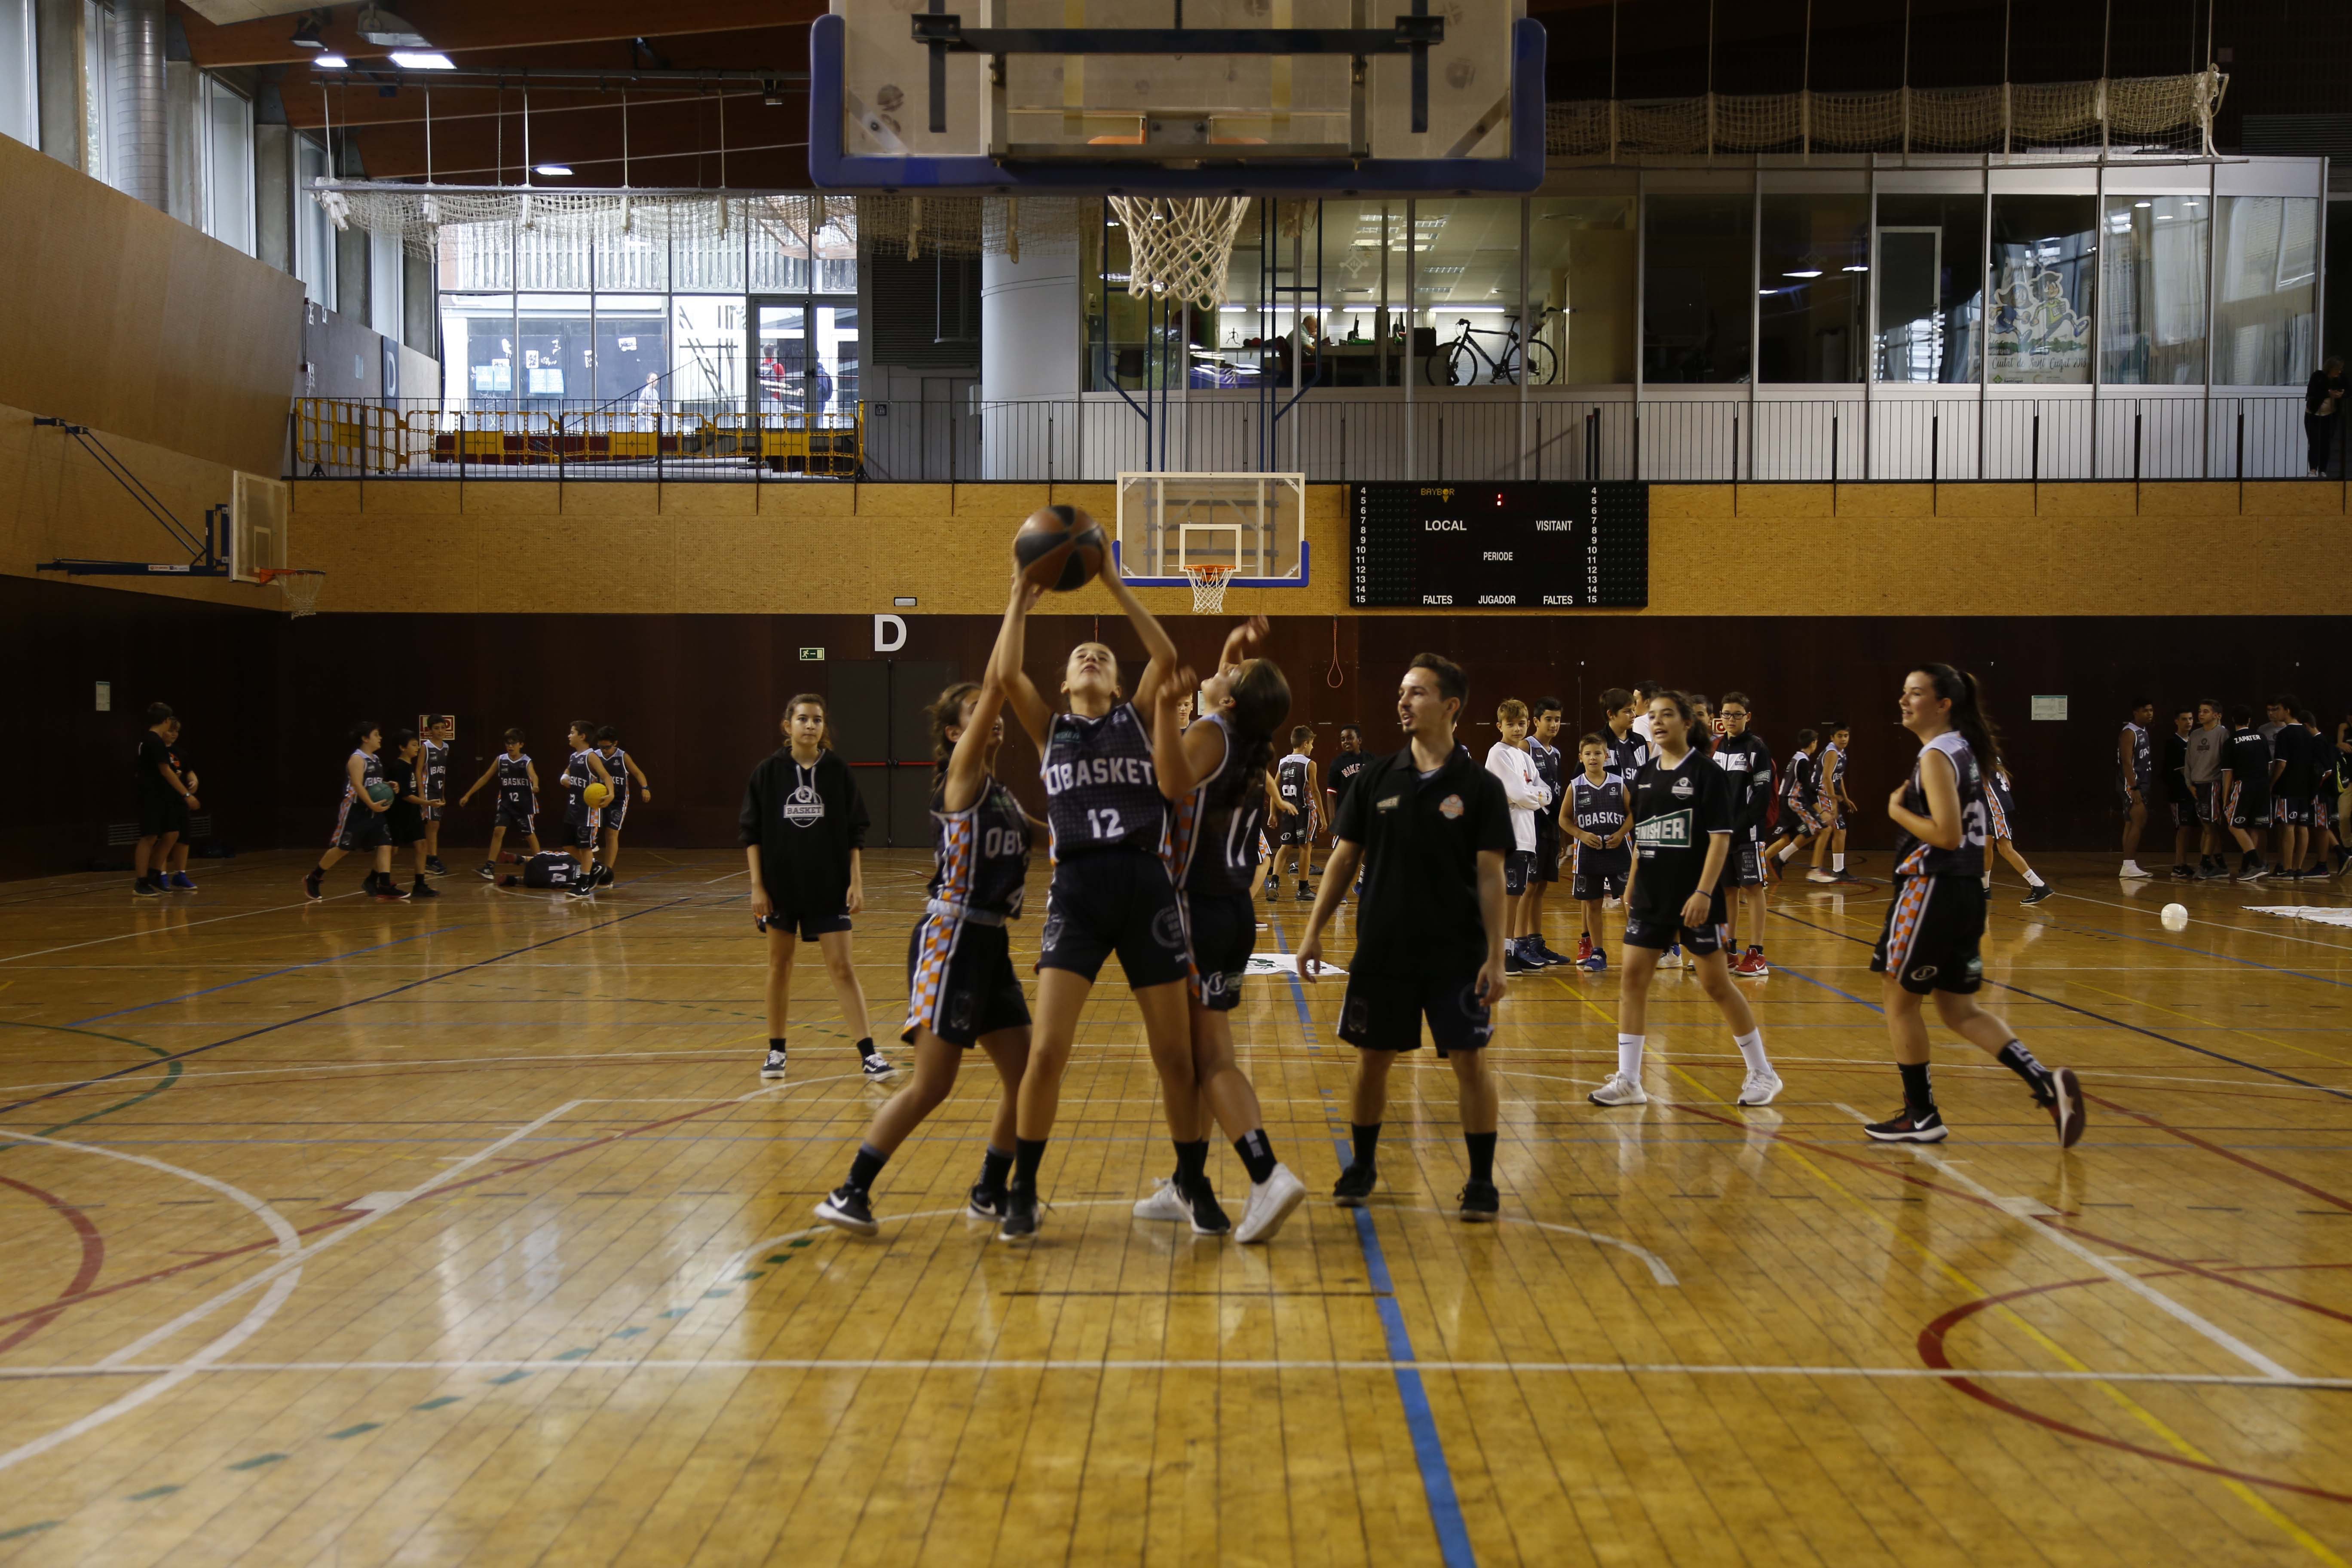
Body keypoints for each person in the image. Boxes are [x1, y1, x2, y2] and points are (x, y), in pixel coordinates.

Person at [992, 546, 1203, 1243]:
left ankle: (1192, 1179)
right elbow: (1003, 674)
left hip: (1144, 883)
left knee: (1174, 1053)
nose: (1091, 657)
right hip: (1077, 888)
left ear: (1116, 683)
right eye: (1080, 655)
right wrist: (1019, 600)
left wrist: (1114, 582)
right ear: (1064, 680)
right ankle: (1023, 1187)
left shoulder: (1137, 719)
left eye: (1102, 657)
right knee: (1048, 1049)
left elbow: (1167, 654)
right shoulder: (1049, 726)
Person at [815, 668, 1032, 1237]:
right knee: (933, 1084)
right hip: (951, 939)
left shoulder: (1000, 792)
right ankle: (850, 1190)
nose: (991, 710)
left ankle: (989, 1189)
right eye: (976, 706)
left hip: (990, 941)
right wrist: (1019, 604)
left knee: (1026, 1074)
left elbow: (1047, 830)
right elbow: (1000, 681)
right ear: (957, 732)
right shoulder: (960, 776)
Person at [1300, 653, 1511, 1222]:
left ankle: (1482, 1180)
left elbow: (1491, 874)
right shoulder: (1376, 777)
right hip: (1383, 949)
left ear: (1450, 706)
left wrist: (1497, 955)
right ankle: (1363, 1166)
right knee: (1373, 1059)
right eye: (1402, 691)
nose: (1403, 701)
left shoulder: (1480, 786)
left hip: (1458, 952)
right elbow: (1345, 859)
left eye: (1416, 692)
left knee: (1470, 1061)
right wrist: (1313, 932)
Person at [1137, 614, 1308, 1243]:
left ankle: (1265, 1174)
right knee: (1194, 1061)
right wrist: (1232, 657)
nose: (1218, 671)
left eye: (1227, 673)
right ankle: (1187, 1179)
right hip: (1233, 912)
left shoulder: (1212, 733)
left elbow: (1170, 779)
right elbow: (1214, 725)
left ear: (1229, 699)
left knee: (1208, 1062)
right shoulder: (1242, 739)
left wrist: (1160, 706)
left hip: (1196, 913)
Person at [1863, 665, 2083, 1148]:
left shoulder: (1938, 755)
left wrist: (1897, 812)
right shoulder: (1965, 749)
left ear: (1944, 704)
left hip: (1932, 889)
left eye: (1916, 694)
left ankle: (1921, 1115)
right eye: (1903, 692)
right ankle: (2046, 1086)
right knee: (1959, 1010)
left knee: (1898, 1001)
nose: (1904, 701)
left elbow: (1946, 834)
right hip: (1963, 892)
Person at [1589, 690, 1782, 1111]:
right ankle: (1629, 1080)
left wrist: (1704, 891)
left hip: (1695, 897)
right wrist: (1631, 883)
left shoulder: (1706, 772)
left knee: (1717, 984)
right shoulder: (1641, 776)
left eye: (1667, 715)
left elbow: (1720, 838)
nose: (1657, 722)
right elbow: (1642, 835)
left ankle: (1763, 1071)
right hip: (1651, 896)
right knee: (1632, 981)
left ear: (1686, 723)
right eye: (1652, 716)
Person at [741, 693, 889, 1084]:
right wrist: (758, 887)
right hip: (780, 887)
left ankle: (869, 1054)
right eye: (803, 719)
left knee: (843, 967)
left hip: (829, 885)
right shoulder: (767, 773)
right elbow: (751, 833)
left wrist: (856, 881)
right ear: (787, 726)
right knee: (780, 966)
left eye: (818, 720)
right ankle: (776, 1051)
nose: (811, 725)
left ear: (824, 727)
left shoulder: (837, 771)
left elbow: (855, 831)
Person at [1485, 699, 1553, 974]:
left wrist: (1532, 797)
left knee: (1518, 892)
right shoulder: (1497, 754)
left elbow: (1545, 792)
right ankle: (1501, 952)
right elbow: (1518, 792)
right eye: (1511, 724)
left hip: (1527, 834)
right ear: (1499, 726)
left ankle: (1512, 948)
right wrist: (1532, 796)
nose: (1517, 729)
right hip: (1508, 834)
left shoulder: (1525, 757)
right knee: (1508, 895)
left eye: (1522, 724)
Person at [305, 722, 405, 902]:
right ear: (365, 738)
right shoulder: (357, 759)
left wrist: (388, 785)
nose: (380, 737)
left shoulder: (376, 759)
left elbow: (373, 785)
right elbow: (358, 786)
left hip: (374, 809)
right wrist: (372, 805)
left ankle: (384, 885)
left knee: (385, 844)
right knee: (343, 848)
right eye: (376, 734)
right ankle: (314, 877)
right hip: (356, 809)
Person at [1711, 693, 1774, 976]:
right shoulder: (1717, 749)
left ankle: (1757, 953)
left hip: (1747, 834)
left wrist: (1738, 826)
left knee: (1753, 888)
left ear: (1748, 717)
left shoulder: (1757, 748)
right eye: (1726, 714)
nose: (1731, 720)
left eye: (1737, 714)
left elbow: (1762, 796)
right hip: (1722, 836)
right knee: (1727, 890)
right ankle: (1729, 950)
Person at [1563, 732, 1631, 972]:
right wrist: (1581, 835)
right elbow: (1564, 819)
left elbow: (1633, 814)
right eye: (1588, 754)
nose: (1593, 758)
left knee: (1629, 900)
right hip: (1589, 853)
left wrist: (1622, 833)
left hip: (1619, 850)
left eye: (1598, 753)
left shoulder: (1619, 782)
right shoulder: (1575, 786)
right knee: (1593, 903)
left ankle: (1638, 949)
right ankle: (1598, 952)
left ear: (1607, 756)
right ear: (1581, 758)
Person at [1524, 698, 1571, 965]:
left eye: (1557, 719)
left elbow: (1556, 795)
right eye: (1549, 719)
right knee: (1529, 886)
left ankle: (1536, 940)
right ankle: (1520, 943)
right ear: (1536, 721)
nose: (1554, 724)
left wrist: (1562, 832)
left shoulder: (1556, 753)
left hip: (1551, 827)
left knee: (1541, 886)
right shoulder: (1526, 747)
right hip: (1531, 826)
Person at [132, 702, 196, 897]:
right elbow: (165, 770)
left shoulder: (155, 741)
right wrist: (187, 795)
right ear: (167, 721)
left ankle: (154, 875)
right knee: (149, 837)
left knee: (172, 833)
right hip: (151, 796)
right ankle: (141, 882)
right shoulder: (153, 741)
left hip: (163, 797)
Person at [462, 729, 541, 877]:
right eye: (508, 743)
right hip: (506, 803)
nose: (510, 746)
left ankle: (541, 864)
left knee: (529, 835)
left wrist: (535, 785)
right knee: (498, 831)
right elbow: (485, 778)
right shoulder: (501, 760)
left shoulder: (526, 761)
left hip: (523, 804)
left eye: (514, 743)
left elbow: (534, 775)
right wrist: (468, 794)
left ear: (521, 745)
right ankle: (489, 867)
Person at [558, 723, 617, 900]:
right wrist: (564, 778)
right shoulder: (574, 757)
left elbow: (606, 776)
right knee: (567, 845)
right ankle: (595, 867)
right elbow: (567, 772)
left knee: (585, 847)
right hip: (573, 808)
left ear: (582, 736)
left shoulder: (590, 756)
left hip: (588, 811)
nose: (569, 736)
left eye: (572, 733)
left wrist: (611, 794)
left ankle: (583, 885)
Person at [594, 725, 655, 888]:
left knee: (612, 833)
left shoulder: (623, 757)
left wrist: (645, 788)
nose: (604, 751)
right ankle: (590, 868)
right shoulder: (595, 756)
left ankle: (608, 873)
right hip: (598, 798)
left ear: (615, 743)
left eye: (607, 747)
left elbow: (638, 773)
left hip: (618, 800)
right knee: (592, 831)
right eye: (601, 747)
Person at [1983, 761, 2051, 904]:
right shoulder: (1990, 753)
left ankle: (2039, 886)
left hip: (1995, 807)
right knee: (1985, 845)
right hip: (1996, 804)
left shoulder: (1973, 753)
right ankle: (1984, 888)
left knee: (2005, 849)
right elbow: (2007, 782)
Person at [383, 729, 441, 900]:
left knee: (422, 845)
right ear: (402, 747)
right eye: (414, 745)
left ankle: (420, 884)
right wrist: (428, 803)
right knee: (391, 851)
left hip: (412, 814)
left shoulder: (409, 767)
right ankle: (374, 879)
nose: (417, 748)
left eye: (418, 745)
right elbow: (406, 796)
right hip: (398, 814)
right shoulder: (398, 767)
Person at [2219, 705, 2272, 882]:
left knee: (2234, 825)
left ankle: (2257, 865)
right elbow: (2269, 765)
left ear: (2233, 720)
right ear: (2250, 720)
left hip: (2245, 785)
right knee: (2255, 826)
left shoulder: (2231, 741)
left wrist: (2225, 797)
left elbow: (2228, 773)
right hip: (2264, 785)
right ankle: (2247, 867)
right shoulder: (2262, 737)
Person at [1269, 726, 1322, 900]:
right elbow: (1315, 792)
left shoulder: (1283, 762)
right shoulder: (1309, 764)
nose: (1313, 748)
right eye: (1312, 744)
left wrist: (1273, 813)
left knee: (1285, 848)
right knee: (1305, 848)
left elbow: (1274, 789)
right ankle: (1303, 888)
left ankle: (1274, 884)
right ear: (1306, 743)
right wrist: (1323, 816)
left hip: (1287, 810)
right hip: (1305, 811)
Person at [1766, 729, 1825, 878]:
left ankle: (1763, 865)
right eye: (1816, 742)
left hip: (1785, 801)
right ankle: (1785, 860)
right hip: (1793, 801)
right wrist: (1821, 811)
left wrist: (1818, 792)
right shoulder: (1803, 761)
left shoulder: (1796, 758)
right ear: (1813, 743)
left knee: (1786, 839)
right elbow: (1805, 788)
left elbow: (1803, 784)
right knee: (1818, 829)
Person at [1325, 722, 1373, 899]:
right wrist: (1332, 819)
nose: (1346, 742)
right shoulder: (1338, 763)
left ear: (1359, 740)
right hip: (1346, 816)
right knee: (1341, 856)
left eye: (1350, 738)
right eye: (1343, 739)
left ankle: (1361, 883)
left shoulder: (1371, 760)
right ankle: (1338, 891)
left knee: (1370, 851)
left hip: (1367, 815)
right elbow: (1331, 794)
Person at [1806, 722, 1857, 884]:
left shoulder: (1841, 753)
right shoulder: (1832, 753)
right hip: (1822, 793)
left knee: (1834, 830)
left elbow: (1838, 777)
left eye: (1846, 736)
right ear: (1832, 738)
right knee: (1835, 829)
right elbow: (1827, 778)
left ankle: (1837, 870)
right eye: (1840, 736)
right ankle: (1833, 870)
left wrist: (1846, 797)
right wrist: (1833, 802)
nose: (1844, 739)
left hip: (1828, 794)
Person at [2268, 697, 2312, 880]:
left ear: (2287, 710)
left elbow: (2282, 764)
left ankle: (2287, 869)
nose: (2275, 713)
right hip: (2305, 788)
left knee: (2288, 827)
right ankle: (2298, 868)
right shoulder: (2308, 733)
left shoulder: (2285, 734)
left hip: (2288, 788)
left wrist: (2271, 784)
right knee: (2303, 826)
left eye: (2278, 709)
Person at [157, 718, 200, 890]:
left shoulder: (180, 753)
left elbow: (190, 772)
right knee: (166, 838)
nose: (174, 734)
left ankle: (181, 874)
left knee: (183, 838)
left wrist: (194, 780)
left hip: (180, 801)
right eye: (171, 731)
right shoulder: (156, 751)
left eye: (177, 732)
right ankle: (160, 874)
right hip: (163, 801)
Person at [2187, 699, 2228, 879]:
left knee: (2210, 826)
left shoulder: (2223, 734)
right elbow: (2188, 761)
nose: (2201, 714)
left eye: (2206, 711)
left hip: (2212, 784)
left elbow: (2226, 764)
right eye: (2200, 710)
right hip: (2197, 785)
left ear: (2217, 715)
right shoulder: (2194, 735)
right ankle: (2219, 864)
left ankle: (2205, 864)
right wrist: (2189, 783)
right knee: (2207, 826)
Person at [2116, 700, 2155, 879]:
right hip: (2133, 783)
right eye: (2145, 711)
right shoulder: (2129, 733)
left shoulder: (2143, 731)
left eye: (2151, 710)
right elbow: (2126, 762)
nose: (2149, 714)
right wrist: (2134, 787)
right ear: (2135, 713)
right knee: (2139, 820)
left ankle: (2128, 864)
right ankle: (2129, 864)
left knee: (2131, 822)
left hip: (2140, 782)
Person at [2161, 706, 2196, 879]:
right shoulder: (2173, 743)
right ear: (2177, 721)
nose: (2188, 722)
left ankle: (2185, 864)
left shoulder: (2195, 740)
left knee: (2192, 828)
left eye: (2190, 719)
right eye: (2184, 719)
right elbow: (2183, 770)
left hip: (2194, 793)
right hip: (2180, 793)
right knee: (2183, 829)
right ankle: (2178, 865)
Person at [420, 714, 453, 877]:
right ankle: (431, 859)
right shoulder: (425, 747)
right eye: (436, 728)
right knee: (432, 825)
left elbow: (444, 773)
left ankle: (430, 859)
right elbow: (419, 770)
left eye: (442, 727)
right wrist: (421, 796)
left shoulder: (446, 747)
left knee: (435, 826)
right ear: (430, 731)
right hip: (427, 790)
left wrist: (443, 793)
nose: (440, 731)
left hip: (438, 790)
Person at [2306, 356, 2346, 478]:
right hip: (2313, 415)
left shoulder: (2340, 379)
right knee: (2314, 442)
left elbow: (2348, 390)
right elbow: (2312, 392)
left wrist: (2342, 394)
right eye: (2337, 369)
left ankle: (2323, 470)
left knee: (2326, 443)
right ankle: (2313, 470)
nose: (2339, 372)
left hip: (2329, 416)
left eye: (2341, 369)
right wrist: (2329, 393)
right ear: (2331, 368)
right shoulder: (2318, 377)